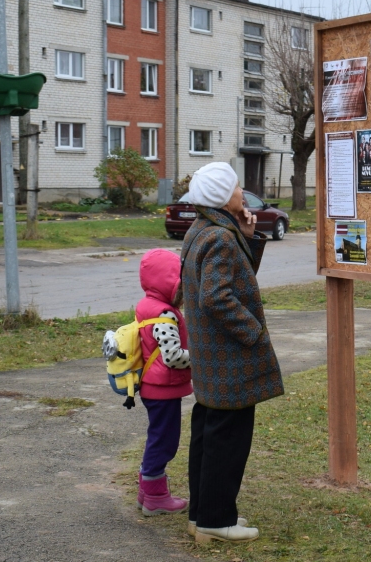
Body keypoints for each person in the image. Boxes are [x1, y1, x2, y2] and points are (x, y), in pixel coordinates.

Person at [180, 162, 284, 544]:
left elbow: (233, 278)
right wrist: (252, 331)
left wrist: (250, 237)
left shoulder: (204, 229)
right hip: (227, 359)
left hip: (209, 355)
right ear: (225, 196)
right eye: (237, 185)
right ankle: (217, 520)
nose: (242, 191)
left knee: (208, 433)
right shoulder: (219, 238)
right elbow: (217, 295)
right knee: (228, 438)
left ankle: (201, 514)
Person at [134, 248, 192, 516]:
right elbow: (172, 357)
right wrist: (200, 357)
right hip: (162, 389)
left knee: (158, 437)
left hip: (154, 387)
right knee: (164, 441)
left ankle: (147, 493)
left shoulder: (147, 305)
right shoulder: (164, 314)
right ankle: (156, 497)